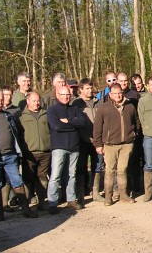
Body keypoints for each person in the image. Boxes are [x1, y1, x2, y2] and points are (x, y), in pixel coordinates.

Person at [0, 90, 38, 221]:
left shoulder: (8, 116)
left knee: (17, 180)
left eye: (1, 100)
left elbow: (15, 133)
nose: (0, 103)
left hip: (10, 155)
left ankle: (26, 209)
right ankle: (0, 213)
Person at [93, 83, 139, 206]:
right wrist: (98, 144)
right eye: (115, 93)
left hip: (127, 144)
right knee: (109, 171)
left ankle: (123, 194)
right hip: (109, 144)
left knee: (122, 170)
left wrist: (134, 135)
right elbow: (97, 128)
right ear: (110, 94)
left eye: (119, 93)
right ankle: (108, 196)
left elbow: (136, 122)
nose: (118, 95)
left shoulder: (130, 106)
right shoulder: (103, 108)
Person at [46, 86, 85, 214]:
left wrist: (67, 121)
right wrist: (72, 124)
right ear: (58, 95)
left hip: (74, 146)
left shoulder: (75, 109)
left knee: (71, 174)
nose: (66, 97)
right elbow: (56, 126)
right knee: (55, 176)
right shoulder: (52, 110)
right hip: (59, 146)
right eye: (63, 94)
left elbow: (81, 123)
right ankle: (52, 202)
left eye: (68, 94)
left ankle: (71, 199)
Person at [71, 78, 105, 203]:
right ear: (80, 90)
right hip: (81, 140)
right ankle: (80, 194)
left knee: (98, 166)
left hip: (97, 140)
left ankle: (95, 192)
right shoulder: (76, 104)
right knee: (81, 167)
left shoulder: (98, 102)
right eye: (87, 88)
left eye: (91, 88)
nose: (90, 91)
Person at [16, 92, 51, 211]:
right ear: (27, 101)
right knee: (28, 179)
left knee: (42, 177)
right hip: (29, 153)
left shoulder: (46, 114)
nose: (36, 103)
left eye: (38, 101)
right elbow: (18, 135)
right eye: (33, 101)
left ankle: (42, 202)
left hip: (45, 152)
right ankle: (26, 205)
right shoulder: (21, 116)